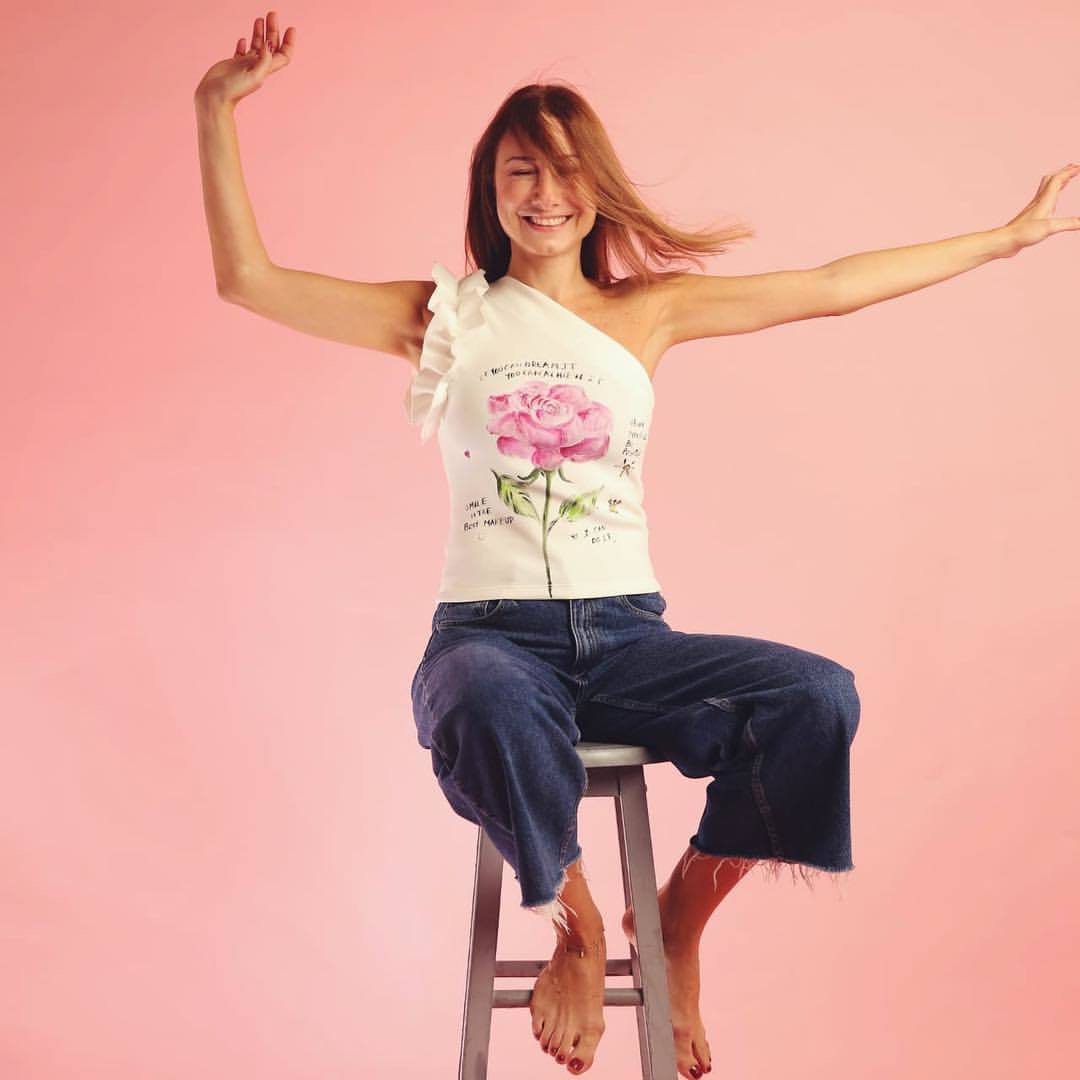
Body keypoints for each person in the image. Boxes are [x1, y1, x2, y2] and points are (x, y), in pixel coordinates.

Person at [194, 12, 1080, 1079]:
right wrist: (215, 108)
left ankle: (676, 922)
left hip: (628, 643)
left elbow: (833, 285)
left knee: (816, 697)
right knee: (478, 696)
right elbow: (247, 280)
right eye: (521, 171)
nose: (546, 194)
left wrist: (1006, 237)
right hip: (491, 640)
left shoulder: (647, 314)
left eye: (566, 171)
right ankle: (574, 928)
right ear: (490, 192)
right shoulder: (445, 316)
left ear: (598, 188)